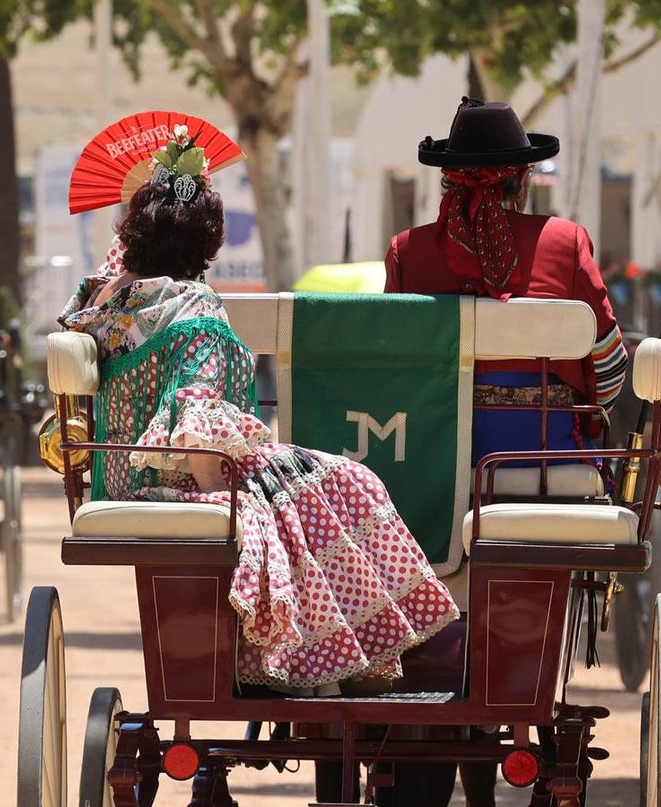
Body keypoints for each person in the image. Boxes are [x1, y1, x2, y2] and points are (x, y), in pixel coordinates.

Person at [59, 125, 459, 693]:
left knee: (320, 484)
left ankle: (334, 654)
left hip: (116, 474)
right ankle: (338, 657)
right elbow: (198, 422)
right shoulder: (195, 304)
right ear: (207, 241)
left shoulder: (103, 298)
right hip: (182, 476)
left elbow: (113, 272)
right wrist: (230, 497)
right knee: (352, 480)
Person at [384, 98, 628, 807]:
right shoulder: (564, 240)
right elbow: (605, 375)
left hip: (430, 473)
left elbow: (394, 374)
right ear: (521, 180)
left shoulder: (409, 252)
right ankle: (512, 697)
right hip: (542, 472)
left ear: (449, 181)